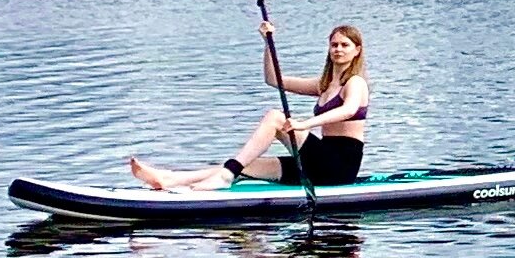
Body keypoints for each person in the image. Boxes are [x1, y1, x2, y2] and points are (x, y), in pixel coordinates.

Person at [130, 21, 371, 192]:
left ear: (357, 50)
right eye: (334, 45)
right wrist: (268, 43)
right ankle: (169, 179)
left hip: (339, 166)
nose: (338, 49)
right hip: (317, 162)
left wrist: (303, 124)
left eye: (345, 45)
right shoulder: (323, 85)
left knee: (275, 117)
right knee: (245, 165)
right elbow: (273, 80)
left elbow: (348, 110)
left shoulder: (355, 82)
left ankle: (224, 176)